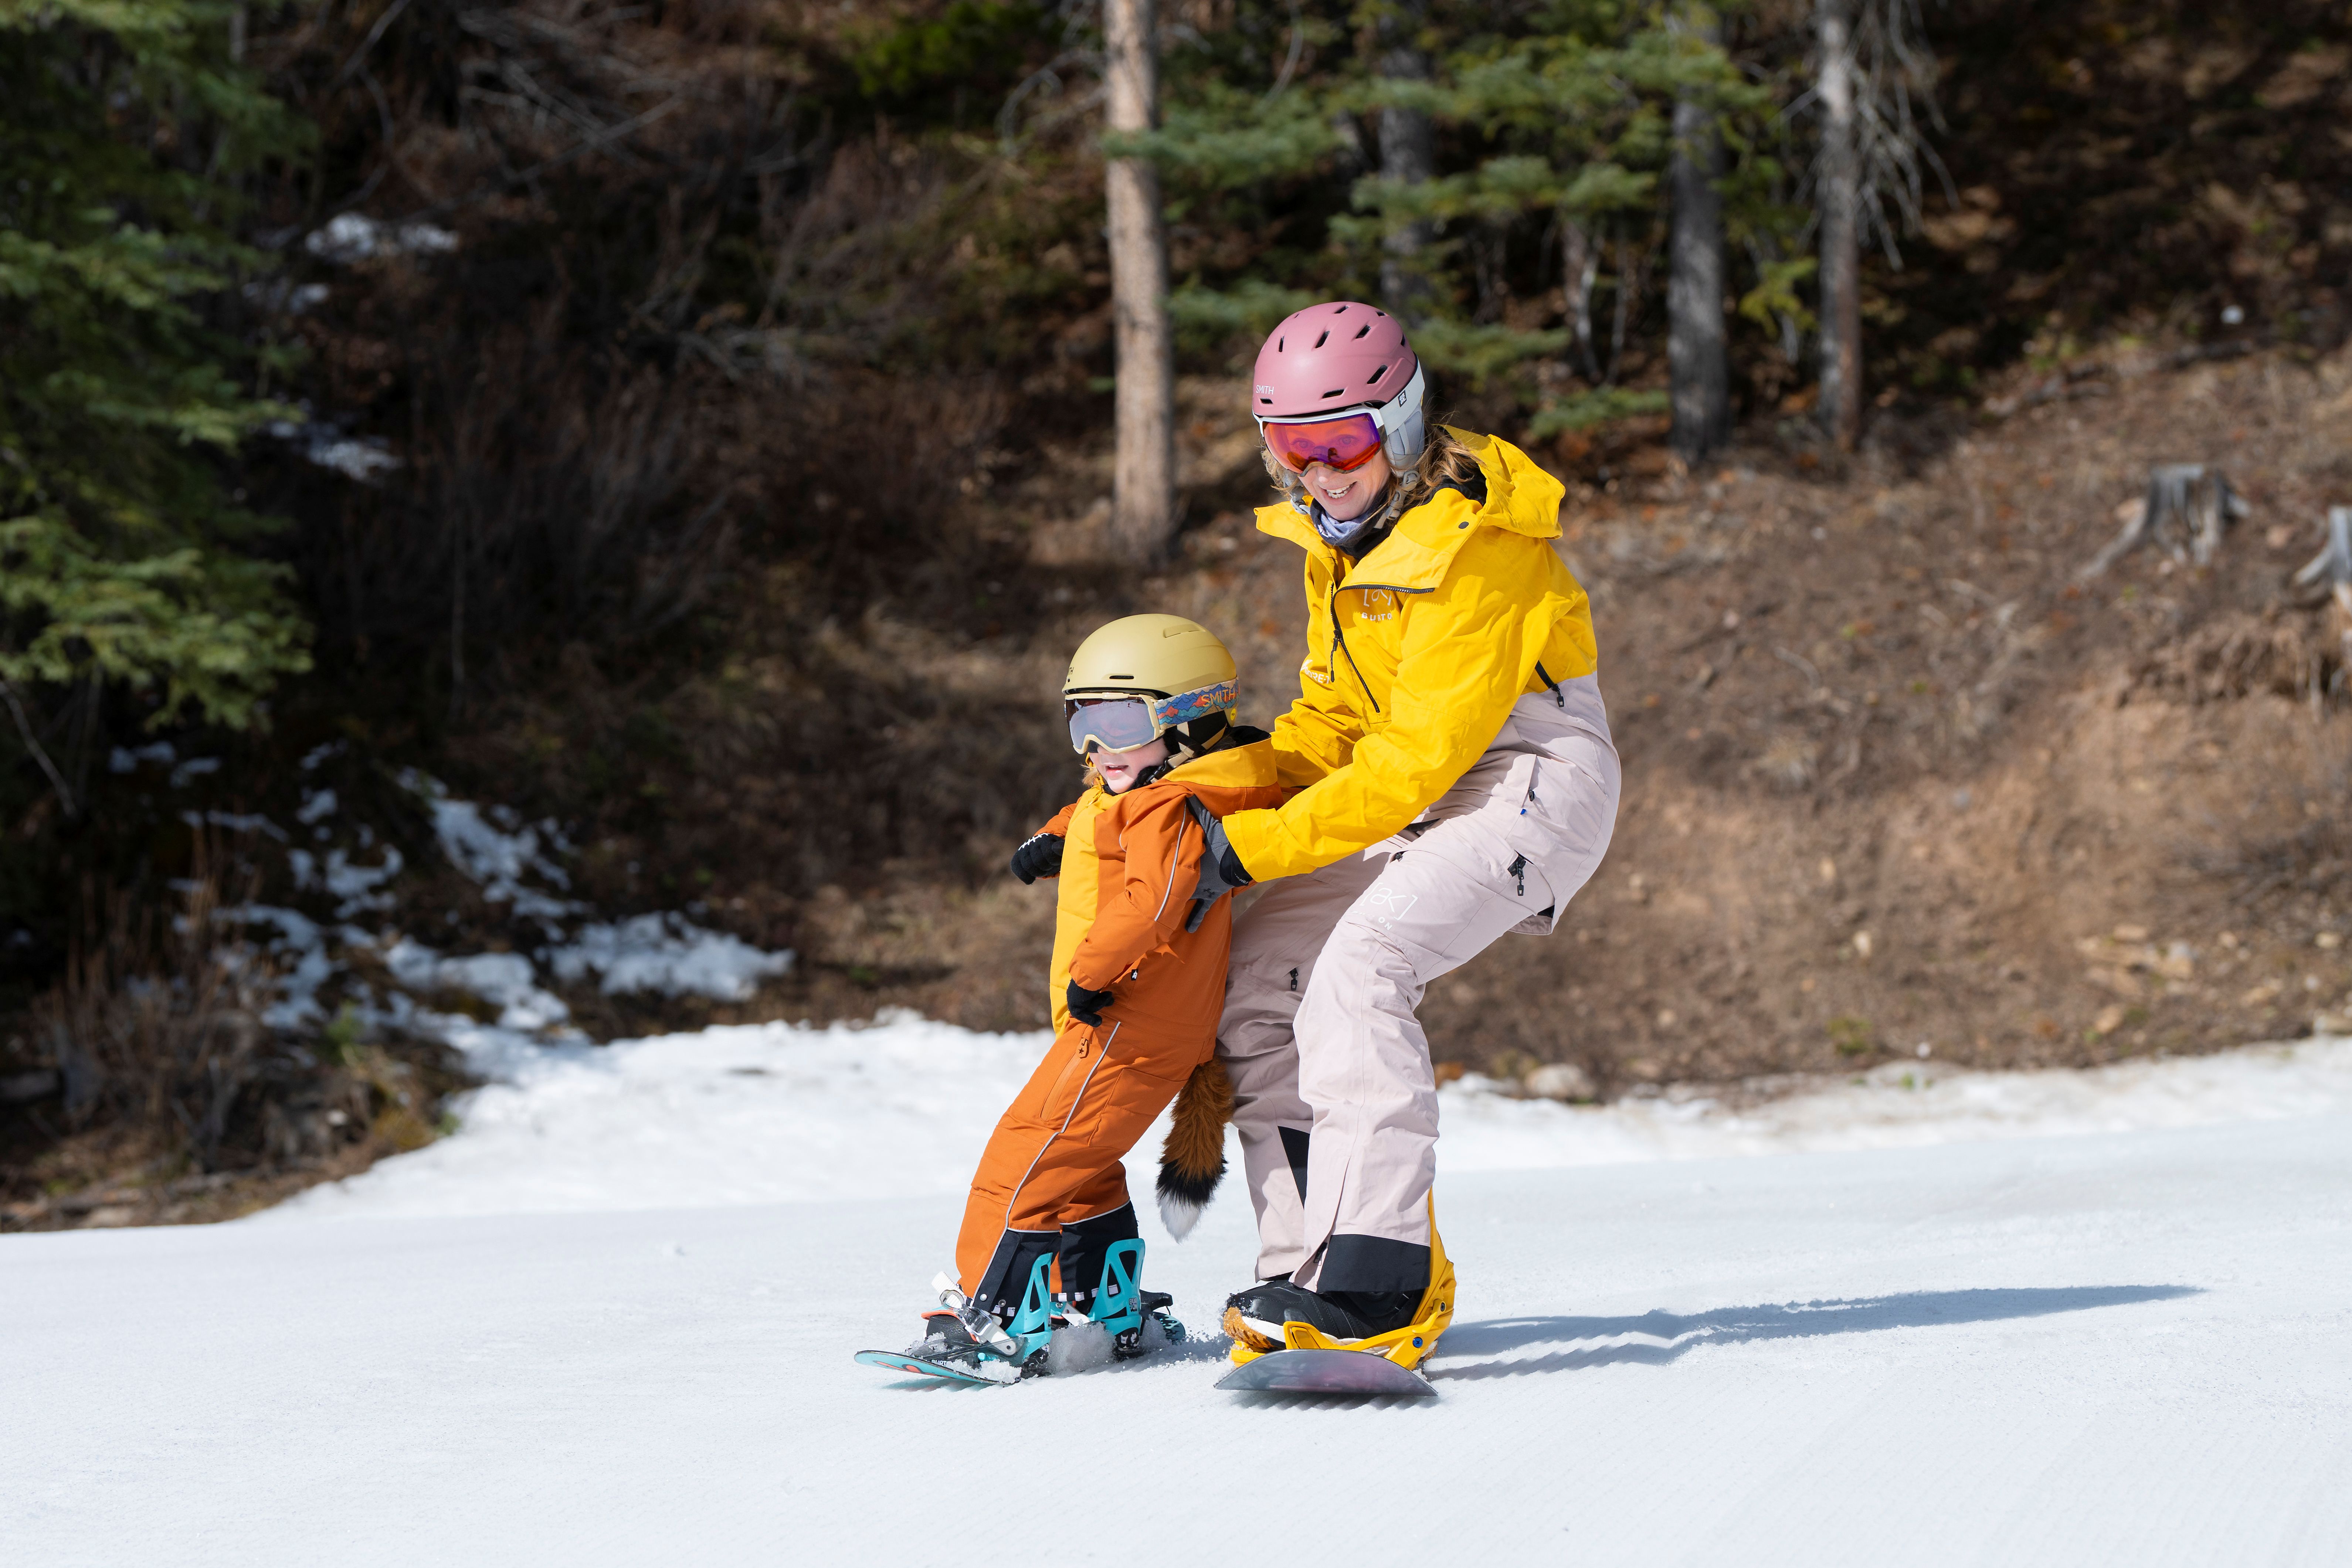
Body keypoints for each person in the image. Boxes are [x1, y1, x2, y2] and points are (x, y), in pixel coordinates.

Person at [1190, 301, 1622, 1371]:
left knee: (1361, 970)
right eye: (1294, 449)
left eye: (1340, 443)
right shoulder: (1336, 544)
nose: (1320, 473)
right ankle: (1301, 1259)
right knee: (1262, 978)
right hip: (1421, 790)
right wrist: (1185, 802)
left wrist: (1248, 853)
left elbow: (1410, 762)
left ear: (1401, 422)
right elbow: (1331, 727)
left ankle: (1376, 1276)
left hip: (1530, 781)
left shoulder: (1479, 546)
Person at [916, 614, 1292, 1373]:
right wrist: (1058, 836)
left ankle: (983, 1313)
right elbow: (1104, 811)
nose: (1097, 747)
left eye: (1120, 722)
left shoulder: (1170, 810)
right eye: (1082, 722)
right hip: (1139, 1023)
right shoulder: (1158, 791)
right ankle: (1101, 1301)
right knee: (1083, 1164)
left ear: (1191, 722)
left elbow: (1149, 905)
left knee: (1027, 1152)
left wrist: (1093, 973)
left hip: (1126, 1015)